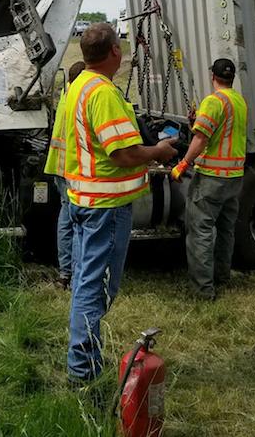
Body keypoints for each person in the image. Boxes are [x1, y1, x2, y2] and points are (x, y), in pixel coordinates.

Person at [63, 23, 177, 382]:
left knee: (86, 284)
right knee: (96, 290)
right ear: (115, 51)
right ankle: (83, 372)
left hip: (84, 202)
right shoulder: (103, 92)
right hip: (106, 207)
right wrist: (158, 150)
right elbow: (124, 153)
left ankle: (82, 362)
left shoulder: (80, 85)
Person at [171, 58, 248, 300]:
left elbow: (201, 138)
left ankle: (204, 290)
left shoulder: (213, 101)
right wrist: (198, 122)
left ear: (212, 76)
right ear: (231, 77)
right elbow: (223, 132)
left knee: (200, 230)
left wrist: (183, 164)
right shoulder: (238, 100)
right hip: (234, 176)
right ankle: (222, 277)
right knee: (226, 229)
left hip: (212, 177)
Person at [44, 60, 85, 289]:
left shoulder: (66, 93)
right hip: (72, 168)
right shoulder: (78, 97)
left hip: (59, 167)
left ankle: (65, 273)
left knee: (66, 220)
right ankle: (74, 275)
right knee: (77, 222)